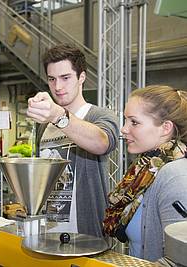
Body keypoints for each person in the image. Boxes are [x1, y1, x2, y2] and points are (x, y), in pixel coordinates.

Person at [27, 43, 119, 237]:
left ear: (81, 77)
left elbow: (101, 142)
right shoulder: (44, 125)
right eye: (52, 79)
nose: (58, 87)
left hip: (87, 234)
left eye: (65, 78)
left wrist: (58, 115)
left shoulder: (99, 115)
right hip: (48, 232)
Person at [103, 85, 187, 261]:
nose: (124, 129)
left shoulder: (175, 176)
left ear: (165, 128)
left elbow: (180, 258)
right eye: (126, 121)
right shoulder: (145, 170)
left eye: (134, 122)